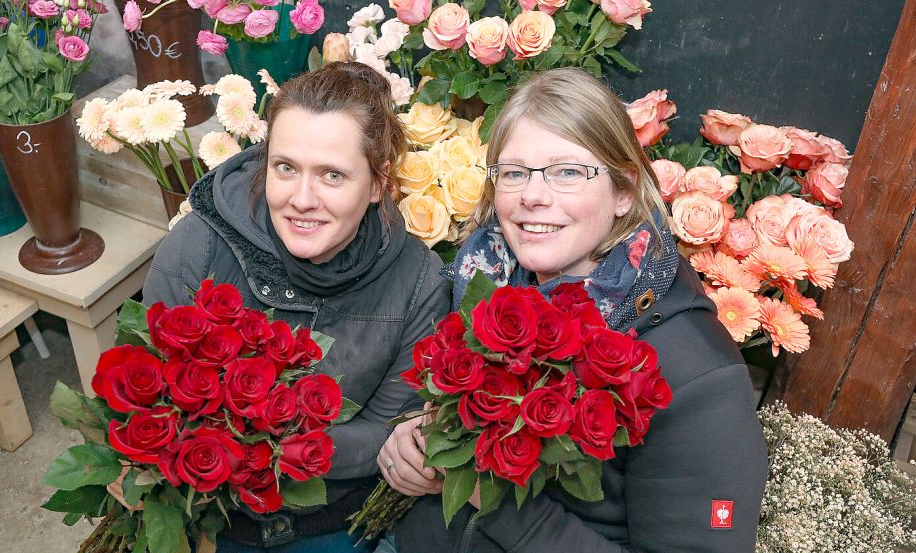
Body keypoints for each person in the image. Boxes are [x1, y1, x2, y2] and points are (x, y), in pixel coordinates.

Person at [377, 67, 768, 552]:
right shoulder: (484, 282)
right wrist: (411, 437)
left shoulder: (695, 374)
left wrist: (495, 500)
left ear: (624, 190)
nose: (533, 196)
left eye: (567, 172)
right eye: (515, 173)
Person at [142, 62, 450, 552]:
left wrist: (256, 440)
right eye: (285, 167)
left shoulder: (417, 283)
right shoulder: (196, 248)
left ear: (377, 184)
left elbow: (389, 437)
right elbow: (149, 390)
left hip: (335, 522)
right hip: (208, 516)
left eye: (332, 175)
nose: (301, 199)